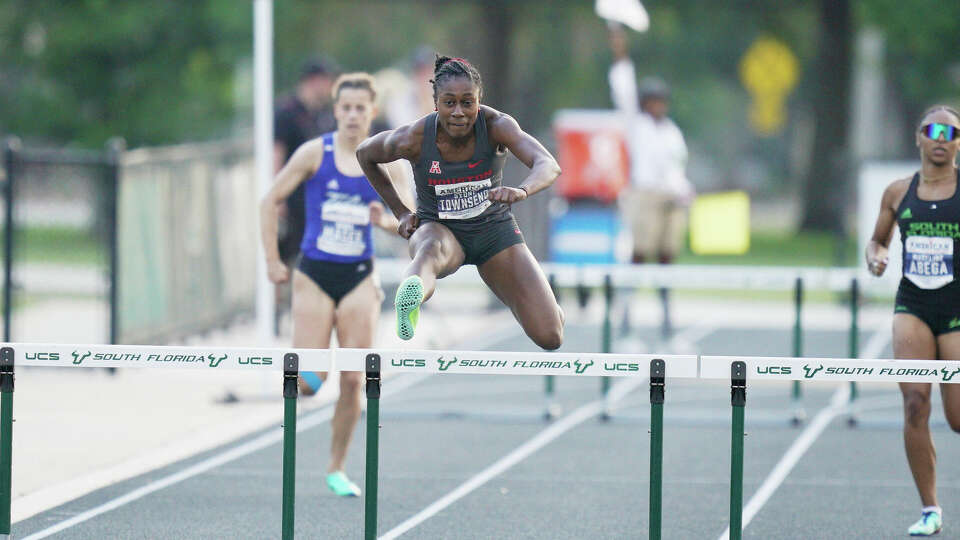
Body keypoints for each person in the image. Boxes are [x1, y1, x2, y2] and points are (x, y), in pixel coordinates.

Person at [260, 72, 410, 497]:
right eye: (344, 108)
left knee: (352, 379)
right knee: (311, 380)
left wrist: (386, 221)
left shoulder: (385, 161)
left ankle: (336, 467)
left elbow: (413, 223)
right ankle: (301, 389)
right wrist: (272, 261)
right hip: (313, 273)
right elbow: (269, 200)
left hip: (359, 275)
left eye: (360, 108)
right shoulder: (314, 153)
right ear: (335, 111)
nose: (351, 115)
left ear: (372, 112)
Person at [356, 55, 564, 350]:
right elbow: (366, 154)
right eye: (449, 102)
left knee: (550, 336)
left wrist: (522, 190)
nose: (459, 112)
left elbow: (547, 164)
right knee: (429, 250)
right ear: (435, 102)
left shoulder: (497, 126)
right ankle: (412, 295)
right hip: (440, 229)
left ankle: (551, 311)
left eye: (468, 102)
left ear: (479, 101)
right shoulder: (415, 136)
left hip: (494, 232)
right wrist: (401, 212)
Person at [866, 105, 960, 536]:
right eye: (933, 130)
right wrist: (877, 257)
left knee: (958, 417)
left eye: (951, 132)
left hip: (957, 310)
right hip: (914, 307)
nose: (941, 137)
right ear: (918, 137)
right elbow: (876, 242)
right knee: (915, 405)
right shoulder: (897, 192)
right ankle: (930, 510)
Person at [607, 25, 693, 265]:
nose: (658, 106)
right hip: (645, 193)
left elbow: (678, 165)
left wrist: (683, 188)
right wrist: (619, 50)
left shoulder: (672, 131)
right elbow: (623, 90)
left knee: (668, 249)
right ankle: (629, 298)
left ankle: (665, 300)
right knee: (641, 248)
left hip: (672, 194)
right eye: (653, 102)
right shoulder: (637, 125)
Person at [274, 58, 340, 267]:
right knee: (289, 251)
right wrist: (278, 196)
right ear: (314, 81)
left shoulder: (322, 114)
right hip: (292, 193)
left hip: (316, 195)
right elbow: (276, 152)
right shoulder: (287, 111)